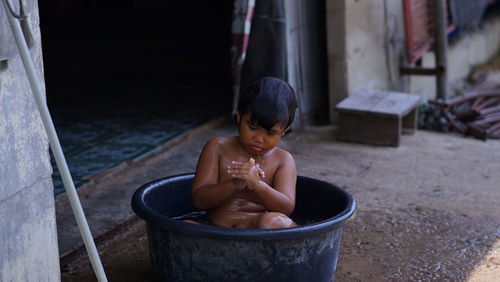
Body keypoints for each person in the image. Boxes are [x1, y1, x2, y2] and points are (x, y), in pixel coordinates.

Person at [191, 77, 298, 229]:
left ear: (284, 131)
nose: (258, 139)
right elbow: (199, 201)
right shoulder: (217, 148)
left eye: (270, 133)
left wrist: (257, 184)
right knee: (184, 226)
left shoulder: (283, 160)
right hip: (215, 229)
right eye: (252, 127)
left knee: (276, 222)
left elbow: (286, 209)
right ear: (239, 116)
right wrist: (234, 184)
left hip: (258, 230)